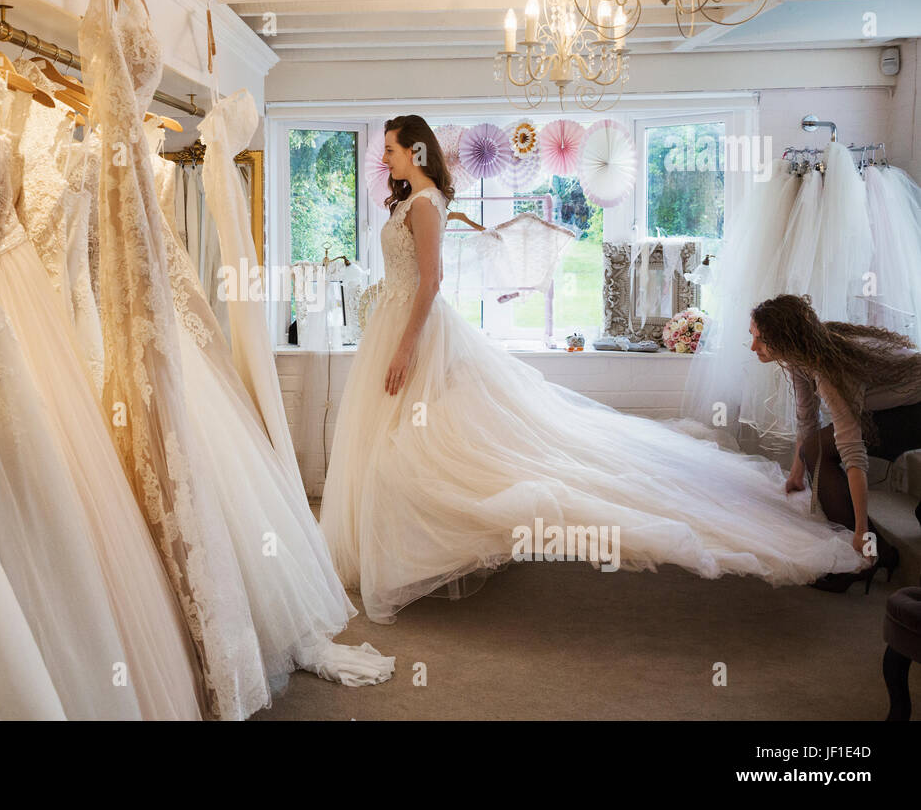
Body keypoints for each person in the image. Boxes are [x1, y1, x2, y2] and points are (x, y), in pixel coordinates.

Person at [321, 115, 865, 624]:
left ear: (414, 151)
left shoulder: (424, 203)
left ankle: (413, 553)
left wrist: (405, 347)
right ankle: (397, 549)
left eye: (389, 149)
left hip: (413, 332)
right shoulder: (408, 200)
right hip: (392, 326)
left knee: (430, 444)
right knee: (402, 442)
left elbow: (432, 280)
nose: (384, 158)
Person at [750, 294, 921, 591]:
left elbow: (852, 453)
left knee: (818, 450)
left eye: (762, 340)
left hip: (915, 409)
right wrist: (796, 475)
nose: (754, 347)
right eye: (752, 337)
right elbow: (807, 419)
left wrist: (862, 531)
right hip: (894, 404)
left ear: (786, 339)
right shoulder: (800, 355)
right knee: (812, 449)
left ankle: (867, 553)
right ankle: (880, 552)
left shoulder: (829, 369)